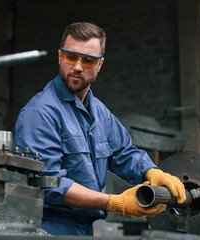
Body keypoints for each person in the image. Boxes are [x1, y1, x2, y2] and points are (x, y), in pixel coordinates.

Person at [13, 22, 186, 236]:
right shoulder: (39, 113)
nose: (77, 66)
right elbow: (49, 183)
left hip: (84, 229)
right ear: (59, 56)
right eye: (70, 57)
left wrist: (152, 172)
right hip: (48, 228)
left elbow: (123, 153)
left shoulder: (99, 112)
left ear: (100, 64)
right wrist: (115, 203)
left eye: (87, 60)